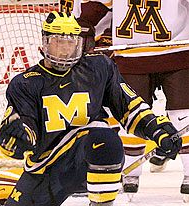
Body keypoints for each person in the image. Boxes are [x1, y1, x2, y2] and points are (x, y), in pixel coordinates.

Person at [0, 11, 182, 206]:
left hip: (92, 155)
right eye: (57, 43)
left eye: (70, 43)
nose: (64, 50)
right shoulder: (25, 83)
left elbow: (129, 106)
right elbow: (25, 130)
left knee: (105, 137)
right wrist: (16, 140)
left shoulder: (99, 68)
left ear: (81, 44)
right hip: (50, 166)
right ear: (44, 43)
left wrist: (157, 129)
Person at [73, 0, 189, 195]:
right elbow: (100, 6)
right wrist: (85, 25)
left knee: (183, 113)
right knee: (131, 113)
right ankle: (131, 172)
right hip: (131, 53)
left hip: (177, 49)